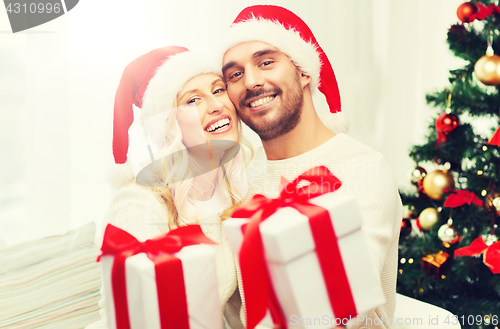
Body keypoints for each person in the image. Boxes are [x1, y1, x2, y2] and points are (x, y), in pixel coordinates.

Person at [219, 5, 403, 329]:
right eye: (235, 74)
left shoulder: (362, 171)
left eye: (266, 62)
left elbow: (341, 312)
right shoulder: (240, 182)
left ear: (304, 71)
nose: (251, 81)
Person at [87, 46, 251, 329]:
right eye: (192, 100)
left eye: (218, 90)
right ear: (169, 126)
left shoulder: (232, 195)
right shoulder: (139, 203)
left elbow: (239, 312)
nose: (216, 105)